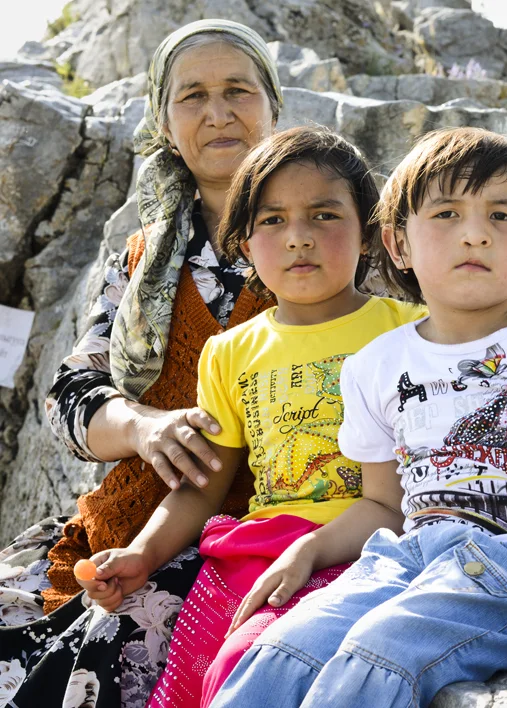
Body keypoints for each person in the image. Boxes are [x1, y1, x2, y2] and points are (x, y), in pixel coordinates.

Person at [209, 127, 507, 708]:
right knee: (285, 651)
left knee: (381, 650)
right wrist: (308, 551)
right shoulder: (376, 365)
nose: (475, 233)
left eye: (502, 217)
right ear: (398, 244)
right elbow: (384, 506)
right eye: (446, 213)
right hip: (409, 557)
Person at [73, 126, 426, 708]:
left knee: (259, 667)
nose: (298, 239)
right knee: (193, 683)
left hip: (374, 548)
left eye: (323, 215)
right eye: (272, 220)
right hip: (256, 555)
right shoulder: (230, 352)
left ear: (370, 235)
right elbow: (200, 486)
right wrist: (142, 555)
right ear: (243, 242)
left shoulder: (409, 330)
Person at [0, 19, 283, 708]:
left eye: (238, 90)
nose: (218, 112)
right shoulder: (142, 259)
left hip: (257, 536)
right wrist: (145, 427)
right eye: (193, 96)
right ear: (163, 117)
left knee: (107, 651)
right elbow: (73, 394)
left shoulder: (330, 238)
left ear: (273, 107)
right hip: (129, 523)